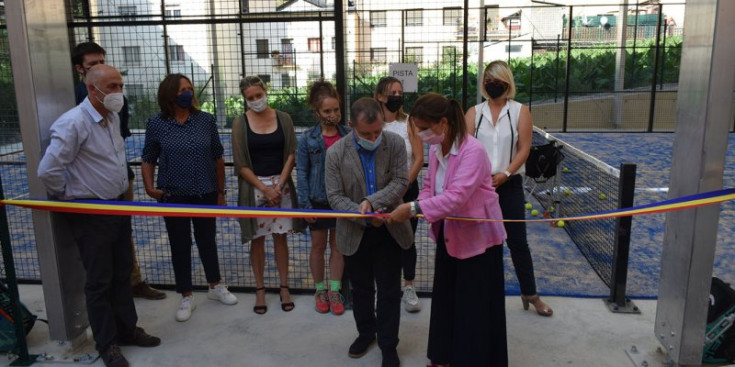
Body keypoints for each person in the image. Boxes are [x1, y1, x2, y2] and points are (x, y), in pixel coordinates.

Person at [38, 64, 161, 367]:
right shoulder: (73, 123)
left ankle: (126, 330)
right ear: (92, 90)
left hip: (118, 207)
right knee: (99, 280)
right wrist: (70, 197)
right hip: (92, 213)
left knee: (122, 273)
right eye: (112, 86)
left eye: (120, 85)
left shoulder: (111, 116)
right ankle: (107, 344)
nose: (119, 92)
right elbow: (48, 171)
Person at [389, 93, 508, 366]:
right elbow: (430, 186)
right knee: (446, 300)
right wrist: (417, 202)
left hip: (479, 242)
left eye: (423, 128)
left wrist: (411, 209)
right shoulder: (436, 148)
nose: (419, 134)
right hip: (449, 236)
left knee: (473, 306)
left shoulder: (473, 151)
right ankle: (442, 357)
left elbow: (456, 197)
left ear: (443, 122)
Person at [71, 41, 165, 300]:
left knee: (124, 232)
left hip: (122, 176)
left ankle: (132, 282)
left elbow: (119, 138)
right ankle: (113, 286)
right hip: (94, 186)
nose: (101, 67)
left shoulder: (116, 100)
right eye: (93, 64)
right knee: (101, 241)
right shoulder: (78, 105)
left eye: (103, 61)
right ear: (81, 69)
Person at [141, 73, 238, 323]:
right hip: (173, 195)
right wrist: (150, 187)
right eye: (182, 89)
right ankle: (186, 294)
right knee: (179, 244)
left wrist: (220, 192)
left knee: (207, 240)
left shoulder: (205, 120)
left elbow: (217, 156)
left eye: (190, 88)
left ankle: (215, 285)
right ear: (170, 95)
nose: (188, 92)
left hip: (205, 192)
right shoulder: (157, 123)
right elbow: (148, 157)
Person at [325, 97, 413, 367]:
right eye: (366, 133)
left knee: (388, 290)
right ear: (352, 125)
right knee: (361, 289)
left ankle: (388, 344)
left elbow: (401, 181)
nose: (374, 138)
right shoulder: (336, 154)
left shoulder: (396, 143)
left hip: (389, 228)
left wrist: (374, 204)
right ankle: (366, 333)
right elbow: (335, 197)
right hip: (355, 231)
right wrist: (364, 216)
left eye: (378, 131)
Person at [465, 60, 553, 317]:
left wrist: (505, 173)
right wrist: (479, 178)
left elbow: (524, 148)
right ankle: (482, 294)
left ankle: (530, 293)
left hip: (510, 184)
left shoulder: (520, 111)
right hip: (480, 187)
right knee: (481, 243)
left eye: (498, 80)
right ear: (484, 83)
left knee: (517, 242)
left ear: (507, 83)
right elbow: (467, 149)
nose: (493, 84)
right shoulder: (474, 113)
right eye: (488, 79)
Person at [232, 75, 303, 315]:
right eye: (250, 98)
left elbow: (292, 153)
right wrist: (264, 189)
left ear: (265, 91)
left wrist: (279, 186)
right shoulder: (240, 123)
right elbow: (241, 163)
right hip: (255, 188)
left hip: (280, 184)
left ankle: (284, 287)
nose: (255, 100)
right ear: (245, 99)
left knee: (281, 237)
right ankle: (260, 289)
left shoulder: (284, 118)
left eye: (258, 95)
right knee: (257, 238)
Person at [296, 79, 350, 315]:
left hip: (341, 201)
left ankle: (335, 290)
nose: (333, 114)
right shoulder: (307, 139)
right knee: (318, 246)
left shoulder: (349, 135)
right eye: (327, 110)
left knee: (338, 246)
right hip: (317, 201)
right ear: (317, 112)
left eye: (336, 109)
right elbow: (302, 172)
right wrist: (306, 205)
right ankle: (320, 290)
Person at [374, 76, 424, 313]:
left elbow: (419, 157)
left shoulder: (409, 122)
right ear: (380, 96)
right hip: (380, 191)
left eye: (400, 92)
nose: (397, 97)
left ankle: (409, 286)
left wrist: (404, 185)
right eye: (392, 92)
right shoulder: (373, 123)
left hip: (407, 189)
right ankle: (385, 288)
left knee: (407, 239)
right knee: (383, 240)